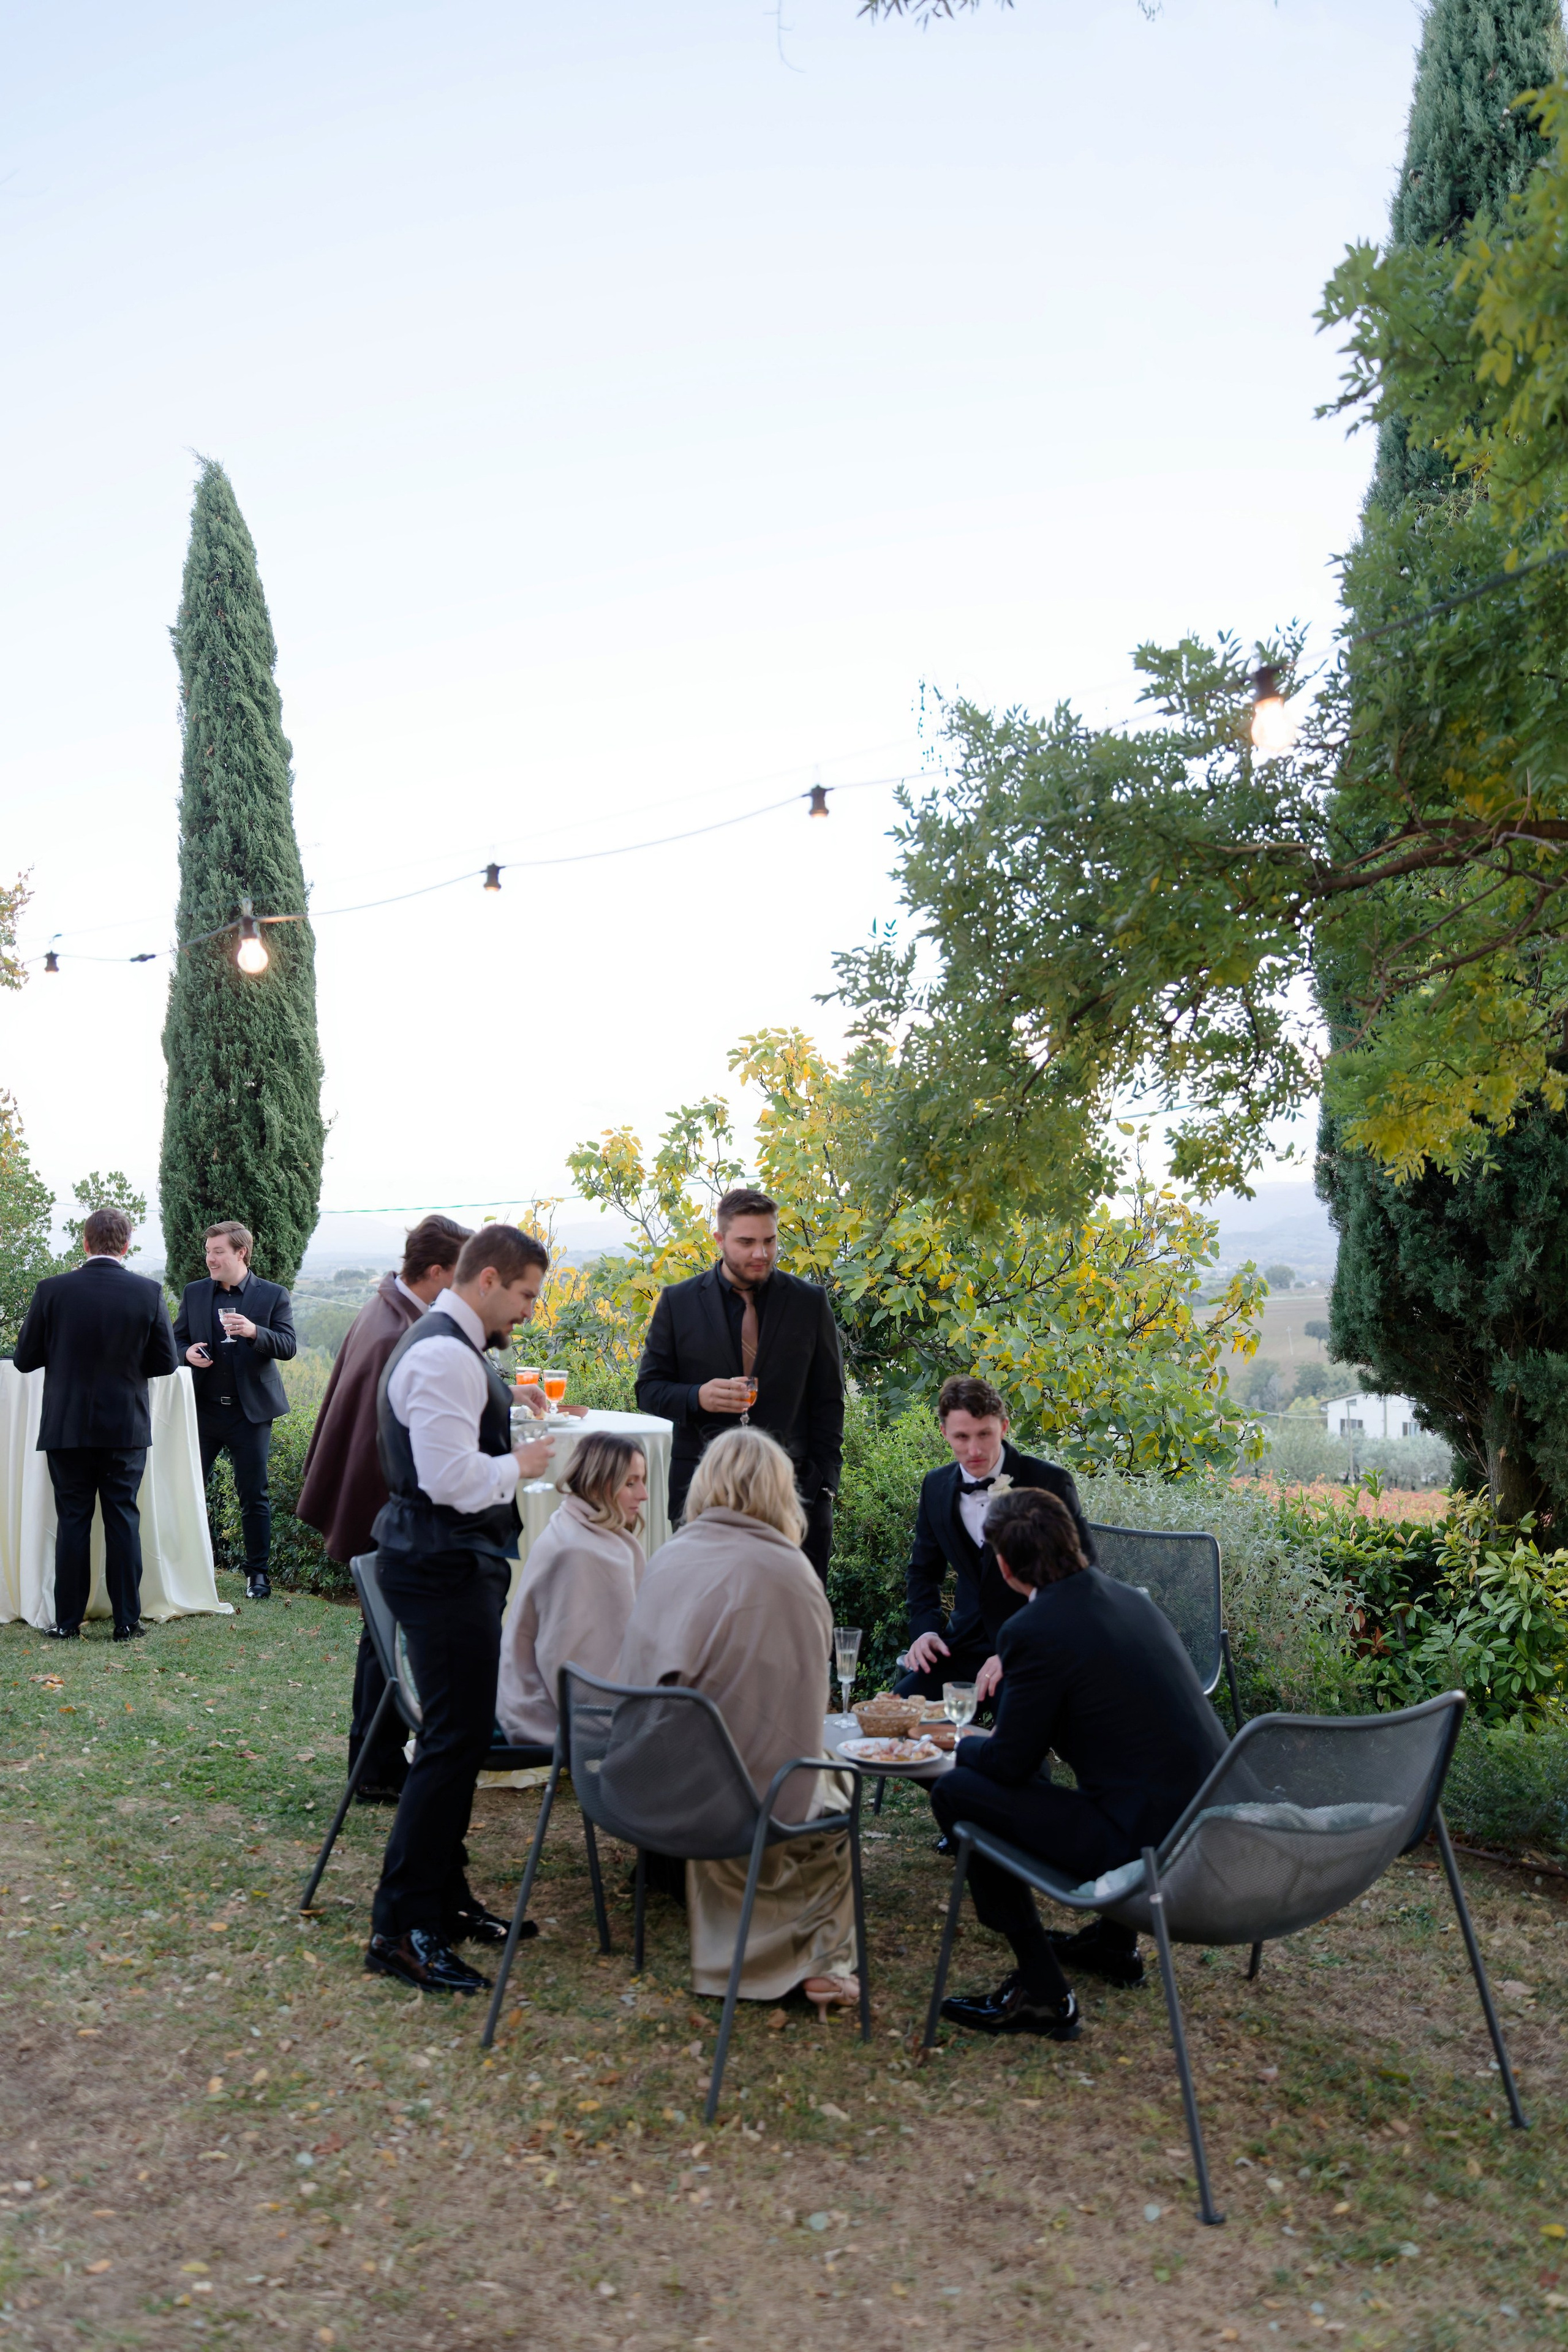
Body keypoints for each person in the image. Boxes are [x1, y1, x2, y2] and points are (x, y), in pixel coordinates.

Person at [930, 1486, 1228, 2040]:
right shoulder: (1130, 1599)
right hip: (1209, 1825)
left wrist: (954, 1740)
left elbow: (1009, 1764)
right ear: (1072, 1540)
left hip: (1148, 1845)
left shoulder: (1033, 1630)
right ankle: (1114, 1944)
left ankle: (1043, 1992)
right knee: (1116, 1779)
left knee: (956, 1791)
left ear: (1005, 1566)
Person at [364, 1224, 554, 1996]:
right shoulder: (444, 1353)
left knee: (461, 1738)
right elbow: (447, 1481)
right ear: (486, 1282)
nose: (529, 1311)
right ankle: (401, 1928)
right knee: (451, 1743)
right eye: (526, 1294)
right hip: (441, 1567)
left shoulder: (454, 1347)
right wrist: (524, 1463)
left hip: (450, 1563)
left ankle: (444, 1902)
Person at [614, 1427, 859, 2019]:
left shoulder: (670, 1552)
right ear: (782, 1492)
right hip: (719, 1802)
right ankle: (816, 1961)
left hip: (630, 1783)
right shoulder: (792, 1576)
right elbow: (796, 1725)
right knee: (833, 1785)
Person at [295, 1215, 474, 1801]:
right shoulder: (393, 1331)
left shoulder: (395, 1313)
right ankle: (373, 1770)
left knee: (381, 1638)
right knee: (384, 1638)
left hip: (379, 1503)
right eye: (463, 1274)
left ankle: (375, 1764)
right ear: (438, 1272)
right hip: (383, 1506)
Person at [635, 1186, 843, 1580]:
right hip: (703, 1495)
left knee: (796, 1623)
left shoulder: (809, 1302)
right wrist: (699, 1396)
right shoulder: (678, 1303)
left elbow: (829, 1401)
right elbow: (648, 1389)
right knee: (706, 1619)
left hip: (796, 1495)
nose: (761, 1254)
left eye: (769, 1241)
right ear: (720, 1240)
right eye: (747, 1242)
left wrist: (824, 1486)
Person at [13, 1205, 179, 1641]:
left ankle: (67, 1622)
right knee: (123, 1519)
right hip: (125, 1425)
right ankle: (127, 1621)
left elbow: (26, 1358)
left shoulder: (52, 1290)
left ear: (84, 1243)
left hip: (67, 1426)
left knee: (73, 1521)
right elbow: (166, 1362)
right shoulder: (147, 1292)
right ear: (127, 1245)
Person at [898, 1374, 1095, 1709]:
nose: (974, 1450)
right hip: (960, 1648)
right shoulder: (935, 1486)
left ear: (1004, 1428)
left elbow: (1082, 1581)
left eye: (984, 1435)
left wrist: (1019, 1650)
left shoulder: (1049, 1482)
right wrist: (925, 1633)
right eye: (961, 1436)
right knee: (896, 1714)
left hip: (1032, 1649)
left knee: (1015, 1748)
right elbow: (922, 1573)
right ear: (945, 1433)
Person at [496, 1431, 648, 1744]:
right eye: (631, 1483)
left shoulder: (581, 1527)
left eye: (642, 1481)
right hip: (552, 1711)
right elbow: (566, 1662)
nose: (644, 1495)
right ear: (598, 1483)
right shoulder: (579, 1552)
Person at [173, 1221, 296, 1601]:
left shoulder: (273, 1295)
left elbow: (288, 1345)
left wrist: (254, 1332)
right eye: (208, 1251)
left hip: (251, 1414)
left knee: (253, 1496)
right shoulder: (194, 1292)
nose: (210, 1259)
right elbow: (175, 1340)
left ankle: (257, 1575)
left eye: (218, 1252)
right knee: (189, 1490)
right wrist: (186, 1354)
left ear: (241, 1253)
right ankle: (184, 1568)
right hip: (203, 1412)